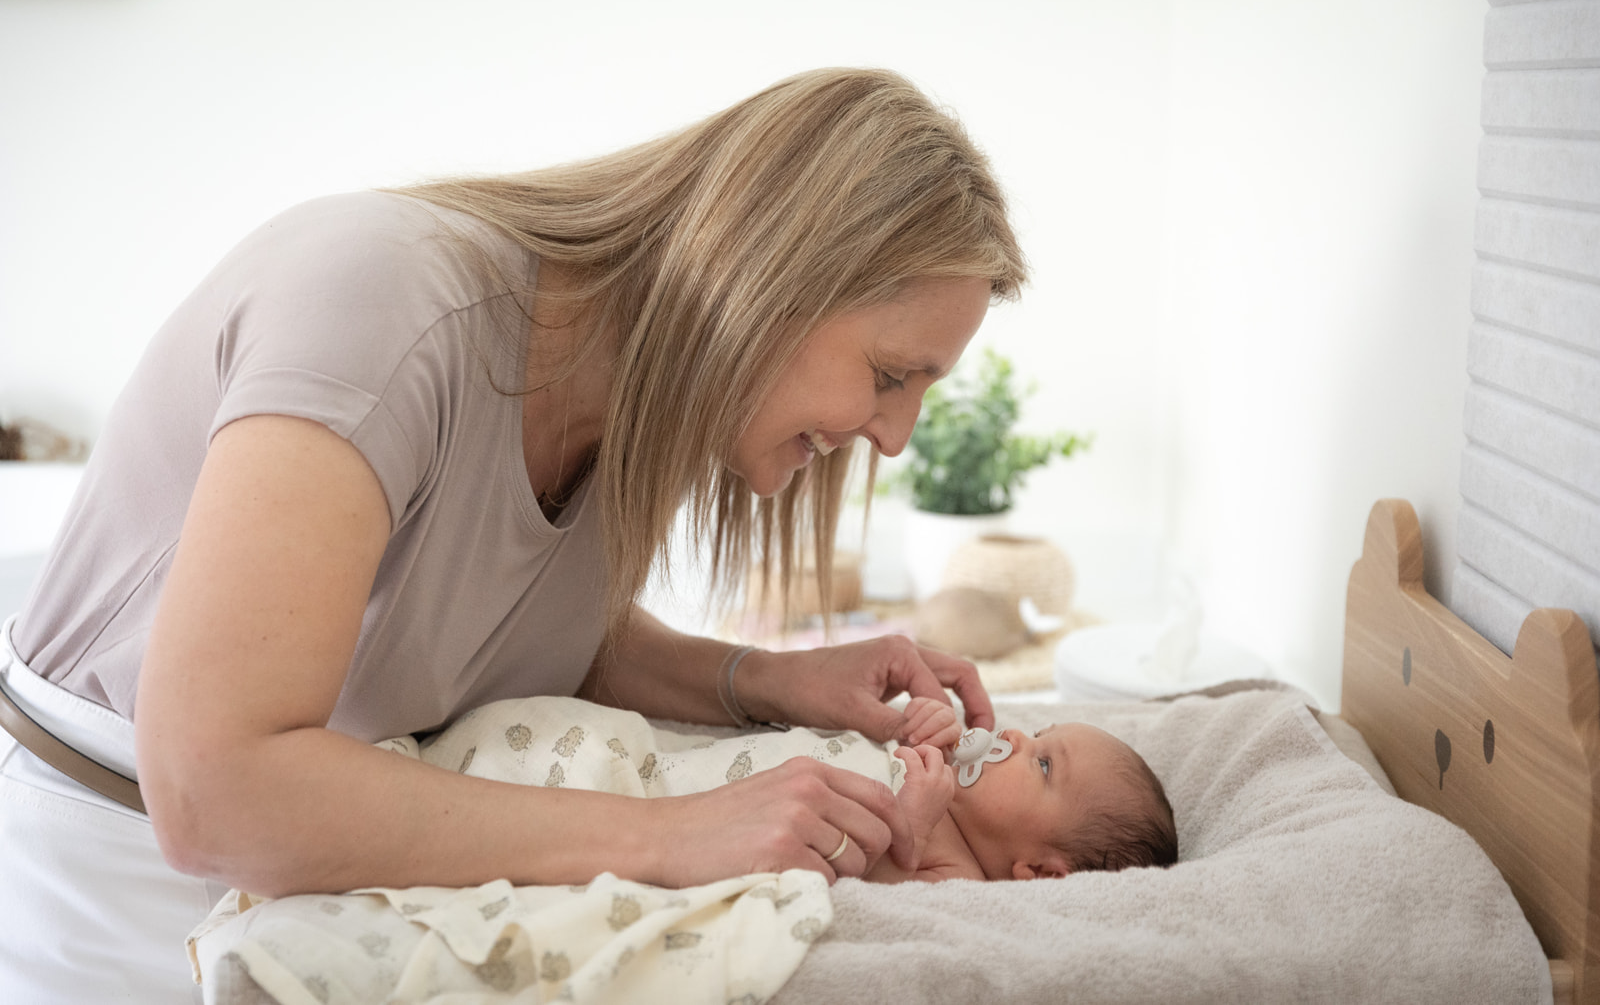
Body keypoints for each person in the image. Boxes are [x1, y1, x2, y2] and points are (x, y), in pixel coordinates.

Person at [0, 67, 1027, 1002]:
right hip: (116, 882)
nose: (895, 436)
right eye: (890, 375)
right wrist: (671, 835)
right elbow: (214, 792)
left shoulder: (626, 400)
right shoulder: (381, 299)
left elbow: (500, 620)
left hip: (321, 898)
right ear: (767, 273)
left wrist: (760, 678)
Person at [865, 699, 1179, 883]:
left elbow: (867, 892)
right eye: (1035, 734)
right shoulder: (942, 779)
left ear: (1041, 871)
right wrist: (917, 737)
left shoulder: (956, 874)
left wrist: (912, 830)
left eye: (1044, 764)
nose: (1012, 735)